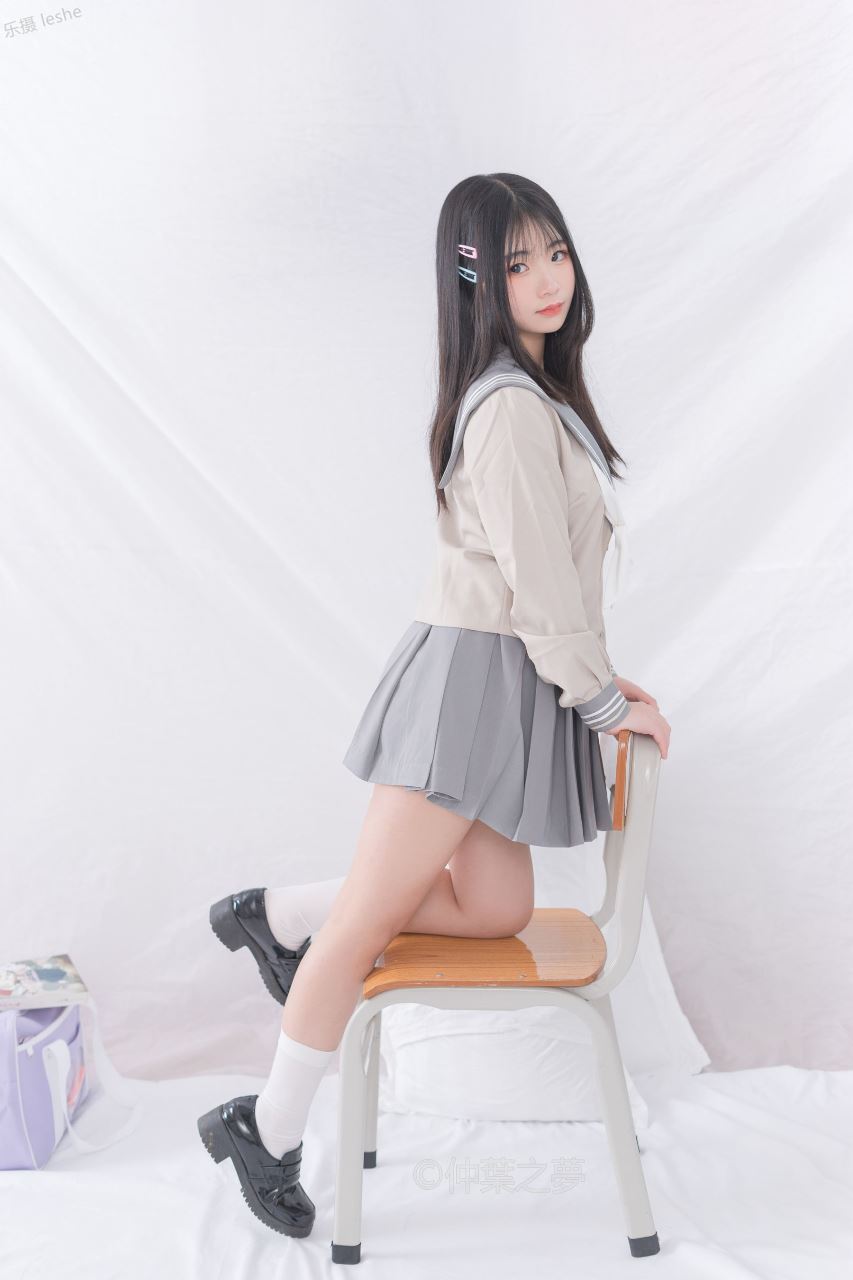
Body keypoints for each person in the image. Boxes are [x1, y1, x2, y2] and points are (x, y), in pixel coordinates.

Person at [196, 171, 672, 1238]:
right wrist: (600, 704)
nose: (546, 278)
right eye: (515, 262)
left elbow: (557, 582)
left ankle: (274, 914)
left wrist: (604, 678)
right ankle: (264, 1126)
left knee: (495, 908)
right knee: (367, 921)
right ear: (474, 281)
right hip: (470, 689)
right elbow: (538, 587)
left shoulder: (535, 398)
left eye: (554, 252)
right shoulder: (506, 408)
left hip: (505, 685)